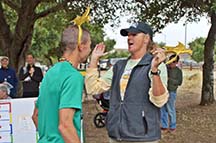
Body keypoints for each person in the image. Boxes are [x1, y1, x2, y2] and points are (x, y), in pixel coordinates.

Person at [85, 22, 169, 143]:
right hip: (116, 136)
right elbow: (92, 88)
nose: (129, 38)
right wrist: (93, 60)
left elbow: (159, 100)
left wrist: (155, 70)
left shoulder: (156, 64)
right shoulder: (119, 66)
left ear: (146, 38)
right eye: (128, 35)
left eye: (134, 34)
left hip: (143, 137)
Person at [32, 25, 91, 143]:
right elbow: (65, 126)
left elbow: (35, 116)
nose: (90, 50)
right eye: (90, 45)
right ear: (81, 46)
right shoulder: (73, 76)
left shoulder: (50, 73)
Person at [160, 54, 183, 133]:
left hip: (172, 92)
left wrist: (170, 80)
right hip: (163, 91)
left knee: (170, 109)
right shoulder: (166, 69)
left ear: (176, 62)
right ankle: (164, 126)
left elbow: (179, 82)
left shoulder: (178, 71)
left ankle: (173, 126)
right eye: (170, 61)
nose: (171, 63)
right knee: (163, 109)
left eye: (173, 62)